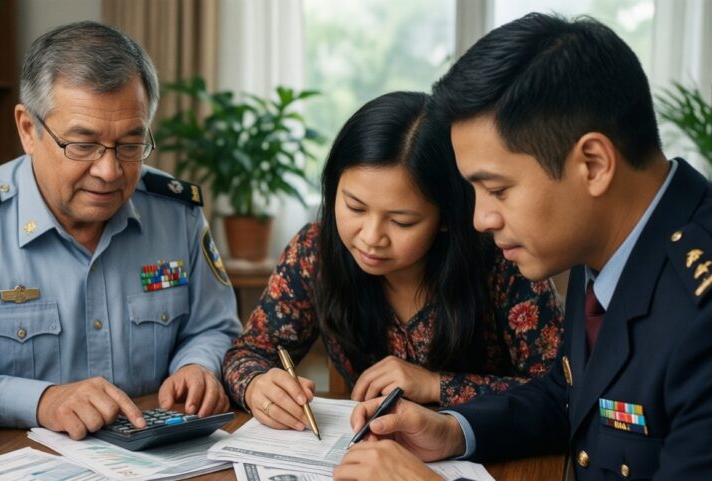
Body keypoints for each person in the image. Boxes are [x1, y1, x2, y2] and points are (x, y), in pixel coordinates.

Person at [331, 13, 712, 481]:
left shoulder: (705, 303)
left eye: (497, 189)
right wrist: (453, 430)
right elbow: (571, 395)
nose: (480, 219)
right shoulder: (606, 240)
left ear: (593, 164)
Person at [0, 21, 241, 437]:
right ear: (28, 129)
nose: (109, 171)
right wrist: (42, 401)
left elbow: (213, 325)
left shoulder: (176, 215)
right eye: (83, 145)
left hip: (158, 450)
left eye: (130, 145)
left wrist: (198, 365)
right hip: (16, 459)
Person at [222, 91, 562, 430]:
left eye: (401, 221)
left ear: (446, 217)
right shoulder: (315, 252)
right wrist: (256, 385)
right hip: (367, 451)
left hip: (495, 454)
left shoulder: (506, 260)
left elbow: (560, 391)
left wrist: (435, 385)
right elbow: (247, 354)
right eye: (355, 207)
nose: (371, 237)